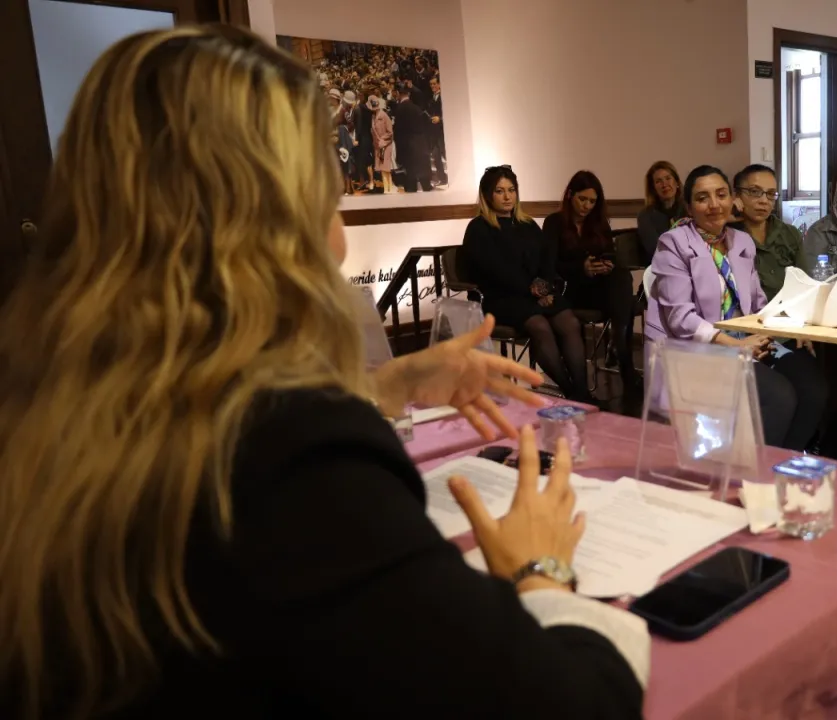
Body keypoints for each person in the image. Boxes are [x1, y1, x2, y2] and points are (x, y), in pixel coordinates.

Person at [0, 26, 647, 719]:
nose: (338, 240)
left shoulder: (47, 406)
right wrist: (542, 569)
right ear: (277, 222)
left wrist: (381, 387)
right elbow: (576, 700)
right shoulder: (293, 461)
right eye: (327, 198)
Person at [645, 165, 828, 451]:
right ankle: (748, 469)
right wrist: (736, 346)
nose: (714, 204)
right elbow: (680, 318)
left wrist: (787, 328)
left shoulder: (740, 241)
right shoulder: (674, 243)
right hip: (699, 350)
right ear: (689, 207)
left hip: (746, 340)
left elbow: (757, 303)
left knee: (814, 391)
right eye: (703, 198)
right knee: (779, 397)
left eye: (721, 195)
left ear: (732, 199)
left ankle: (780, 462)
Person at [463, 165, 593, 403]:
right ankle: (571, 393)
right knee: (540, 325)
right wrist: (532, 292)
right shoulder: (478, 228)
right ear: (488, 195)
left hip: (535, 293)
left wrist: (546, 287)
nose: (507, 196)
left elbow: (547, 261)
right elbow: (497, 272)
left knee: (569, 321)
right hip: (500, 297)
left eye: (511, 190)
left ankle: (582, 391)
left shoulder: (528, 225)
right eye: (500, 191)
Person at [542, 171, 641, 390]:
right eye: (582, 199)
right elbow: (549, 266)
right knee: (626, 301)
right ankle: (623, 356)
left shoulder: (598, 223)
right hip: (569, 289)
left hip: (598, 287)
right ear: (570, 195)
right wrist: (581, 268)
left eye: (592, 201)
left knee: (620, 276)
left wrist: (607, 264)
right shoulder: (554, 222)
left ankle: (619, 345)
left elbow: (609, 253)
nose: (587, 206)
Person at [728, 164, 802, 300]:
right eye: (754, 192)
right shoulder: (725, 235)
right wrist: (724, 215)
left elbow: (805, 283)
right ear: (736, 195)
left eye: (771, 194)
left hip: (789, 310)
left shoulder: (789, 234)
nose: (764, 201)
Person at [636, 161, 687, 262]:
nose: (664, 185)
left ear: (677, 183)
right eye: (658, 181)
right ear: (653, 188)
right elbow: (654, 249)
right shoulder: (645, 215)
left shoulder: (689, 210)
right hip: (660, 265)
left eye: (668, 178)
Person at [390, 84, 430, 192]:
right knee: (422, 170)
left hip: (407, 144)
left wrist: (399, 151)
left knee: (410, 174)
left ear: (398, 94)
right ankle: (426, 187)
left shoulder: (399, 109)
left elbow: (398, 131)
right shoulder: (416, 108)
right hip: (420, 143)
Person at [424, 75, 447, 187]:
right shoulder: (431, 99)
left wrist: (440, 119)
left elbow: (449, 113)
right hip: (434, 133)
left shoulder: (444, 97)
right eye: (431, 84)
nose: (432, 86)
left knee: (446, 155)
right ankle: (443, 179)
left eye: (434, 84)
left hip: (443, 132)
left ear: (439, 84)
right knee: (436, 156)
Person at [370, 95, 396, 194]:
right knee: (381, 168)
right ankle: (386, 188)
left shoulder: (384, 116)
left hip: (386, 144)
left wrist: (382, 140)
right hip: (378, 145)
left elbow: (390, 132)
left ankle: (389, 188)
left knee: (386, 167)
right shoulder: (373, 117)